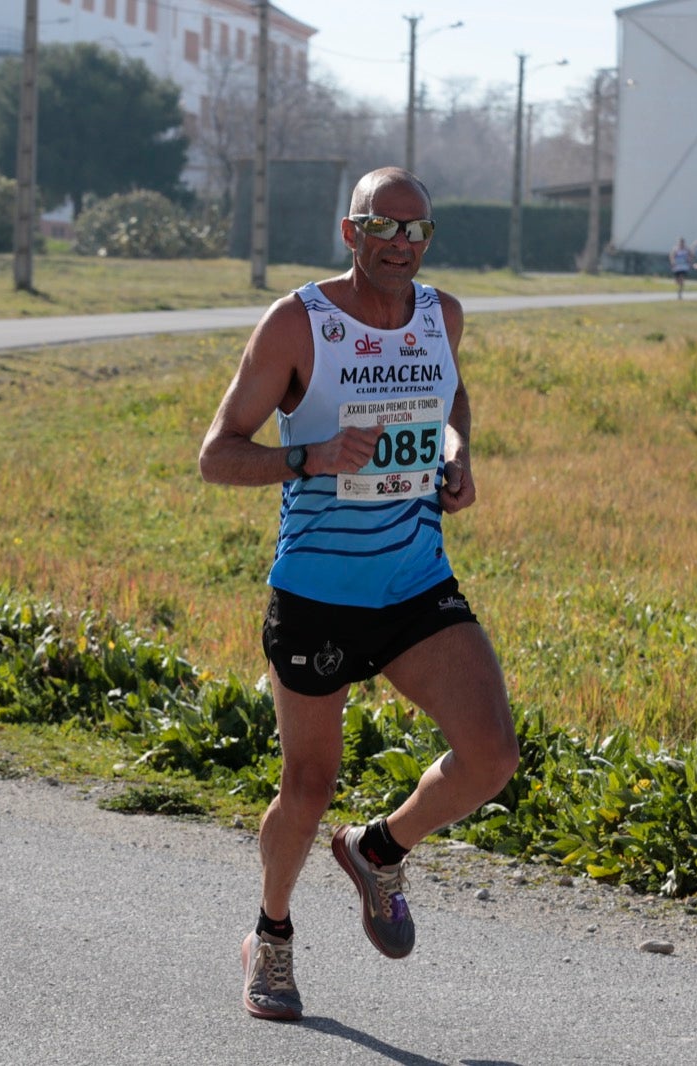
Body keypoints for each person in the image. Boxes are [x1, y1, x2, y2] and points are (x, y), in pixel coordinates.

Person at [199, 166, 519, 1023]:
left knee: (492, 757)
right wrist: (307, 457)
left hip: (415, 579)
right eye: (388, 227)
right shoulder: (297, 323)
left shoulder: (439, 313)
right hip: (318, 593)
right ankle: (269, 935)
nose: (405, 245)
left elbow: (450, 394)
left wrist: (458, 456)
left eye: (420, 232)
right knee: (307, 785)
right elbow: (218, 453)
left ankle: (378, 850)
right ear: (352, 231)